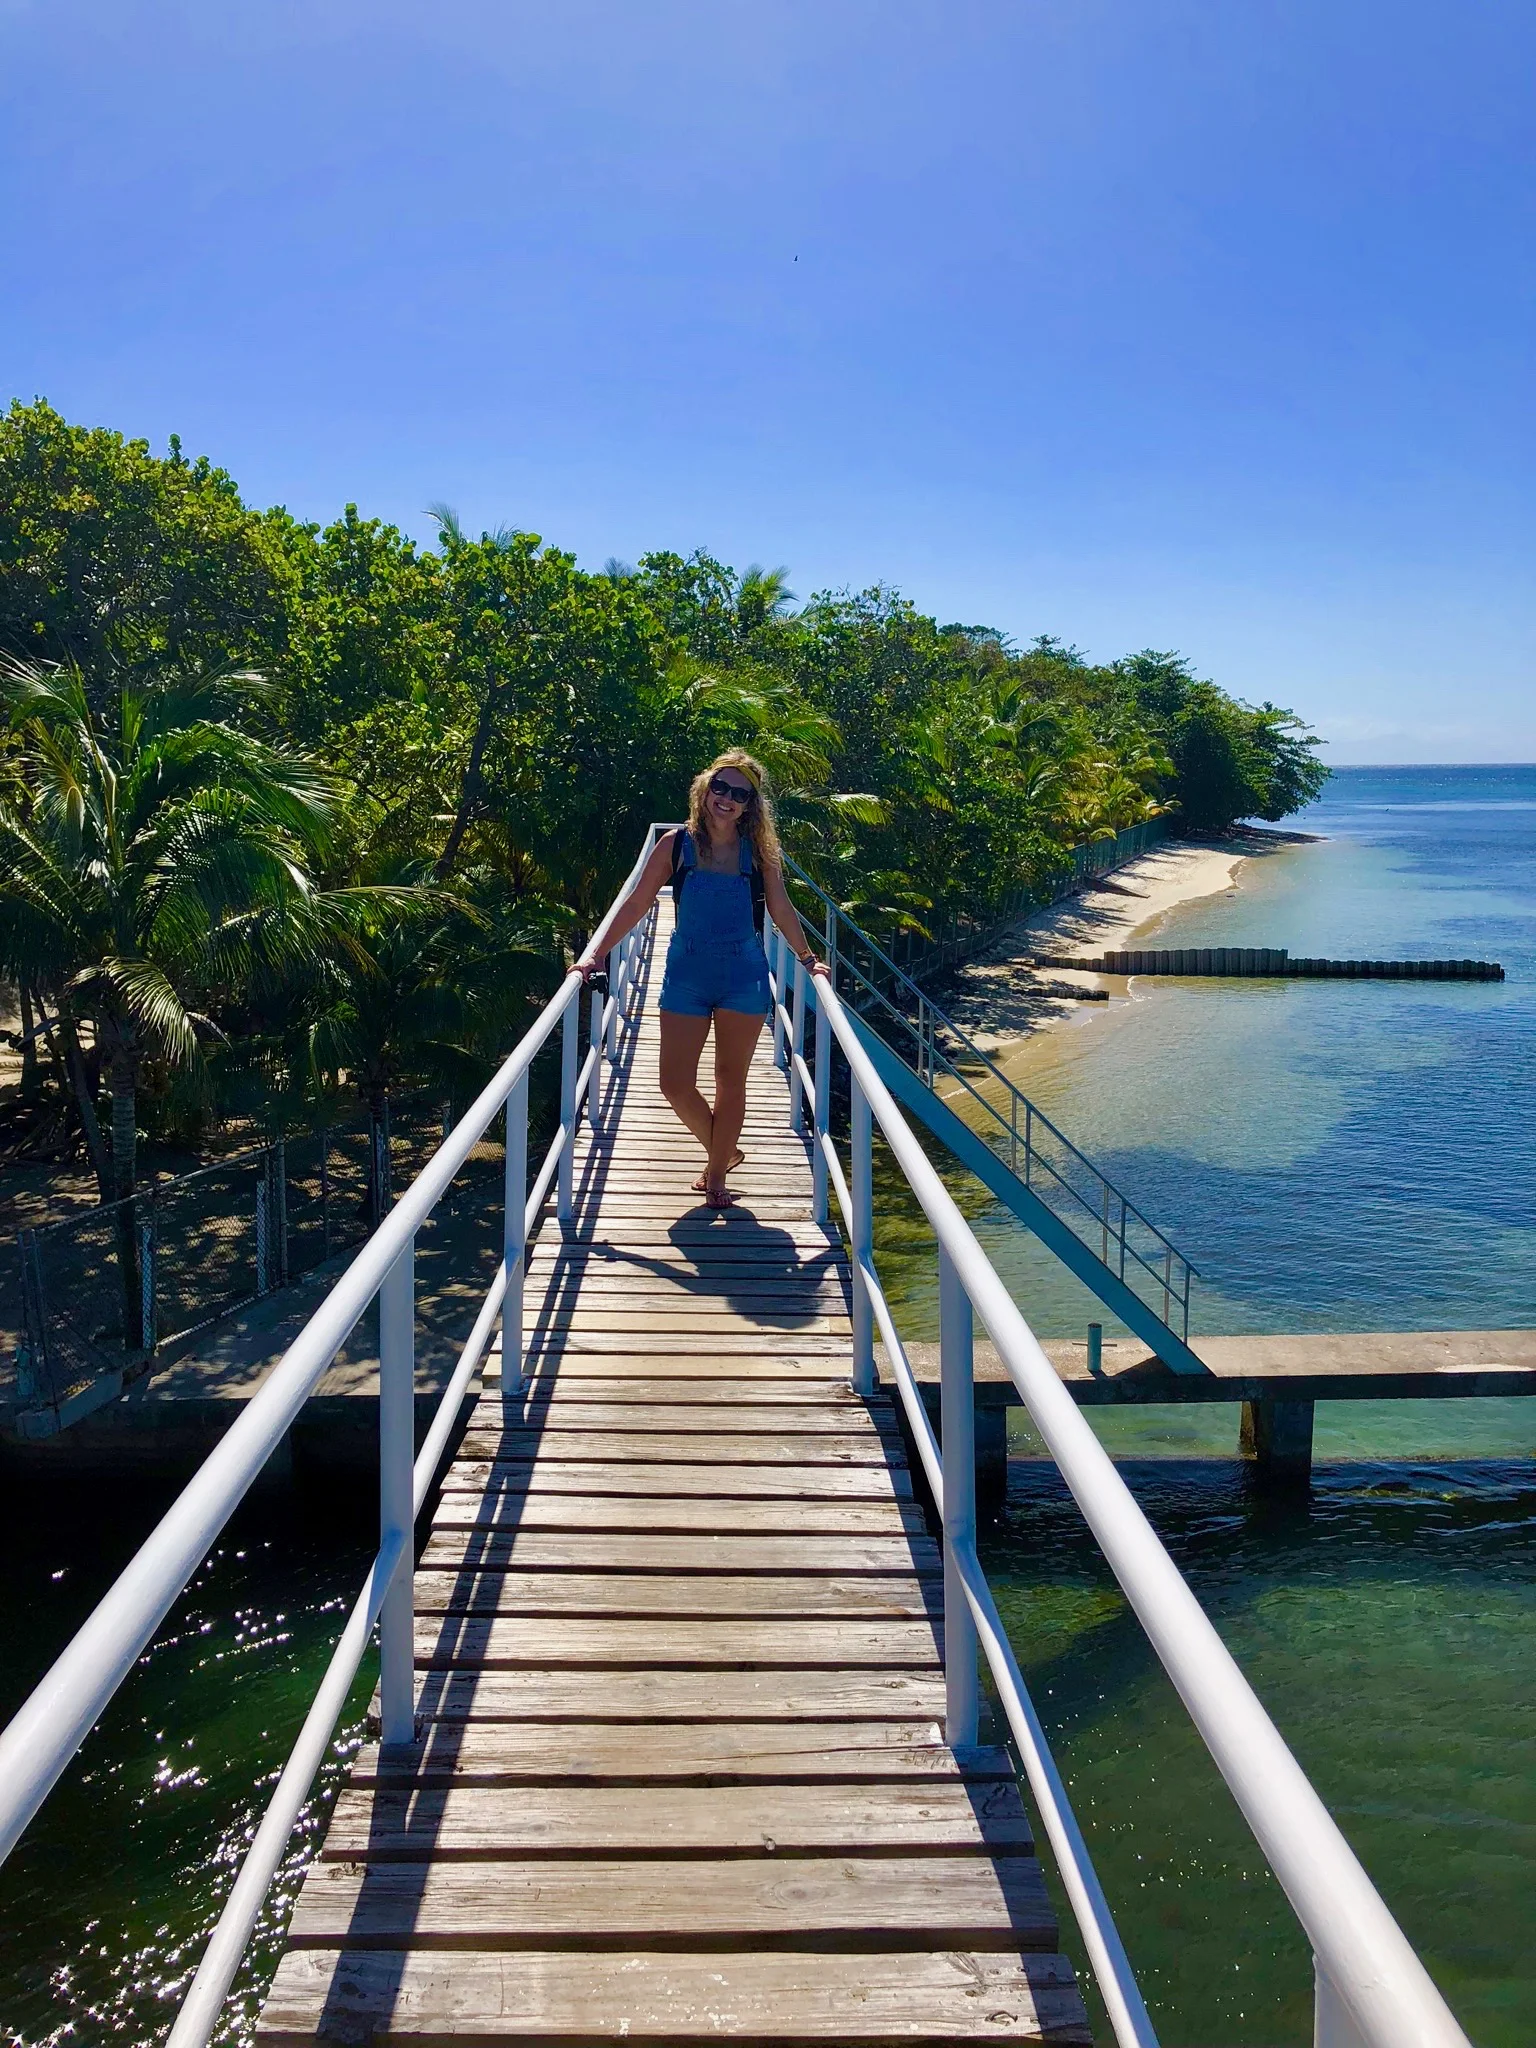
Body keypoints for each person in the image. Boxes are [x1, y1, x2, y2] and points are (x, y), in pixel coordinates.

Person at [577, 751, 830, 1207]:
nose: (727, 799)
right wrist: (594, 956)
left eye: (739, 794)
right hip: (686, 973)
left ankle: (715, 1176)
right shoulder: (675, 845)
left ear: (750, 805)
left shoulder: (760, 854)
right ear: (705, 789)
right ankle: (726, 1150)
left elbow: (780, 908)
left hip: (743, 975)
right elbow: (636, 904)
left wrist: (808, 958)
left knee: (730, 1081)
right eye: (720, 787)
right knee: (673, 1083)